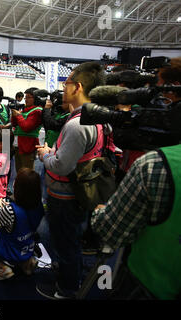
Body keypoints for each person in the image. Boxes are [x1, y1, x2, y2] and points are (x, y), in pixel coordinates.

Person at [91, 58, 181, 300]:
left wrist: (102, 212)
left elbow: (111, 228)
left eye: (162, 93)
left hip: (148, 282)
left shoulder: (155, 165)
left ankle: (102, 282)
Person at [35, 62, 111, 299]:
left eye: (66, 83)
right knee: (69, 242)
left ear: (77, 86)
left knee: (66, 245)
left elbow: (61, 165)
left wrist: (45, 154)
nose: (63, 88)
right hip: (79, 194)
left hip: (66, 198)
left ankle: (67, 289)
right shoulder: (97, 117)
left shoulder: (78, 125)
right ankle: (70, 277)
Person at [0, 168, 44, 280]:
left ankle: (4, 266)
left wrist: (1, 207)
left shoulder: (10, 210)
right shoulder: (39, 207)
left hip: (8, 251)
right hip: (26, 248)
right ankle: (27, 262)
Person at [11, 87, 43, 172]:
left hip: (28, 146)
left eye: (29, 97)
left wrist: (18, 116)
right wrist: (14, 116)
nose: (26, 100)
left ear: (36, 99)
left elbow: (26, 127)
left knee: (27, 173)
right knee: (19, 172)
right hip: (19, 145)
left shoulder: (37, 111)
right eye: (26, 97)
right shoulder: (25, 110)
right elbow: (14, 125)